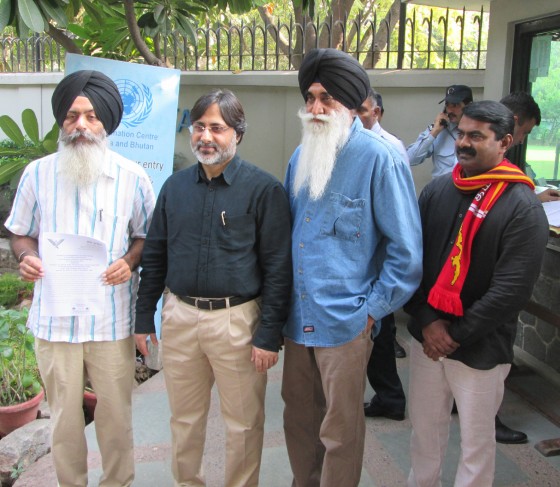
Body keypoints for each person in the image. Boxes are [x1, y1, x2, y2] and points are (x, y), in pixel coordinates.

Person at [5, 70, 156, 487]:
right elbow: (19, 231)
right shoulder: (38, 174)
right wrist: (27, 256)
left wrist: (129, 260)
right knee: (64, 421)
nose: (81, 126)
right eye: (72, 116)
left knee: (115, 416)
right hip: (54, 322)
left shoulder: (132, 177)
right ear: (61, 120)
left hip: (110, 320)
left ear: (106, 120)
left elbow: (146, 237)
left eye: (91, 116)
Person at [134, 89, 292, 487]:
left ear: (237, 133)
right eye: (199, 126)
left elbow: (278, 268)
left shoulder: (264, 190)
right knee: (183, 419)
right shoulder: (175, 188)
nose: (206, 136)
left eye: (217, 128)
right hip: (180, 317)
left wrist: (269, 335)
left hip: (236, 322)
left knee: (242, 423)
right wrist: (143, 319)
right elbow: (154, 256)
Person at [282, 48, 422, 487]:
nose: (317, 108)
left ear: (350, 103)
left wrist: (370, 310)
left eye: (328, 98)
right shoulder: (298, 159)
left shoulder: (380, 158)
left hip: (346, 322)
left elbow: (406, 252)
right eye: (311, 98)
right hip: (296, 319)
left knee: (340, 433)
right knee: (300, 423)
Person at [405, 100, 549, 487]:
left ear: (504, 142)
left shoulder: (521, 206)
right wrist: (427, 321)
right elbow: (411, 261)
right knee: (424, 434)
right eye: (462, 133)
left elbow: (511, 290)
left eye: (476, 136)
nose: (464, 143)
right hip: (427, 338)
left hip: (480, 347)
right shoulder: (438, 190)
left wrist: (453, 334)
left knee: (476, 445)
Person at [356, 88, 408, 421]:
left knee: (380, 332)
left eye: (363, 109)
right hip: (364, 257)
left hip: (379, 259)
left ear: (378, 113)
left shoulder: (389, 149)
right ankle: (389, 397)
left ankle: (391, 398)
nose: (358, 116)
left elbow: (397, 212)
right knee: (380, 333)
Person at [501, 91, 559, 204]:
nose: (522, 140)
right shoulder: (486, 157)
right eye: (524, 132)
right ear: (513, 122)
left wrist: (534, 198)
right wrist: (533, 201)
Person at [407, 84, 473, 178]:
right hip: (442, 189)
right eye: (447, 105)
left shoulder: (479, 132)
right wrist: (434, 132)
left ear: (469, 106)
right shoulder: (438, 129)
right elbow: (410, 159)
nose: (450, 110)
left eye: (455, 105)